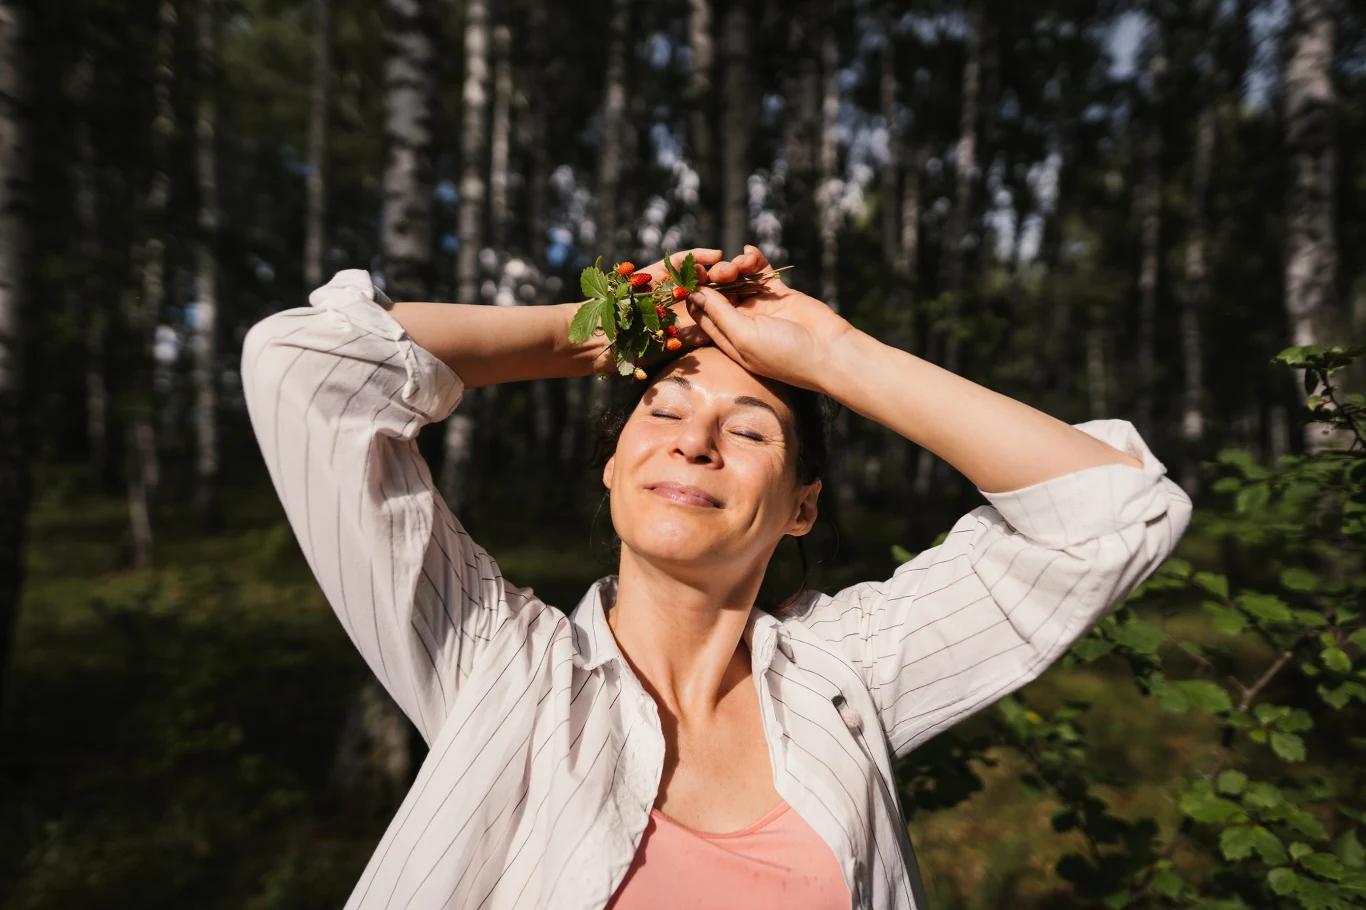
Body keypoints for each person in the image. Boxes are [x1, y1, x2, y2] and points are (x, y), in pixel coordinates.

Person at [241, 246, 1192, 910]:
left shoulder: (846, 679)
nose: (695, 440)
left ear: (802, 507)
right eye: (662, 410)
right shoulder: (502, 667)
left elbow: (1114, 514)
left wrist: (833, 354)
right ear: (612, 466)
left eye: (748, 430)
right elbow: (306, 367)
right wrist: (603, 328)